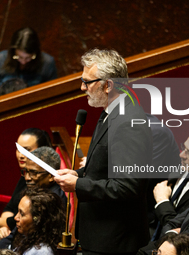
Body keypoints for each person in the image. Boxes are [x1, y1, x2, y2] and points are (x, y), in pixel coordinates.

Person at [55, 49, 153, 254]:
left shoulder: (128, 122)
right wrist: (78, 174)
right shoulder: (110, 112)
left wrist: (78, 185)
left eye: (87, 82)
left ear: (108, 85)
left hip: (115, 242)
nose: (83, 88)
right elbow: (105, 169)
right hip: (100, 237)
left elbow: (128, 187)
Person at [0, 128, 54, 251]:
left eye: (27, 150)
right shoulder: (25, 175)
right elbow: (10, 207)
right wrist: (4, 226)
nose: (21, 155)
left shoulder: (44, 184)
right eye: (19, 149)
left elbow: (29, 222)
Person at [0, 27, 57, 100]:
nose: (23, 62)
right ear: (13, 52)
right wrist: (1, 100)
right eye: (20, 57)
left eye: (28, 58)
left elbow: (53, 91)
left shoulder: (47, 63)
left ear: (36, 53)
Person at [10, 188, 65, 255]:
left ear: (38, 220)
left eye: (22, 214)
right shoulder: (26, 238)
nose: (16, 218)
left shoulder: (42, 252)